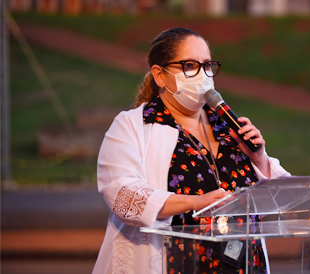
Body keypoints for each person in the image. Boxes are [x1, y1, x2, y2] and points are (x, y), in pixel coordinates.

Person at [92, 27, 290, 274]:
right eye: (189, 66)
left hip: (242, 263)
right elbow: (123, 194)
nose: (202, 75)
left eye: (207, 65)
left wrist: (258, 158)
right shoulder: (133, 125)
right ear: (160, 75)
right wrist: (197, 202)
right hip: (176, 263)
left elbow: (282, 197)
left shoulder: (227, 126)